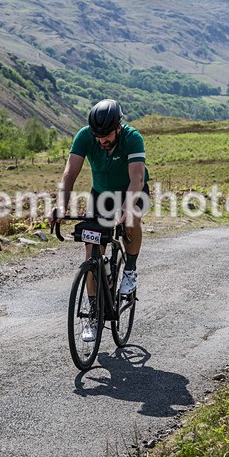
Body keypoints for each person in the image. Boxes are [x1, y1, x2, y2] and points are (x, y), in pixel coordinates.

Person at [51, 99, 150, 341]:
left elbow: (136, 179)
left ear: (118, 127)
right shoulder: (85, 136)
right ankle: (93, 315)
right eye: (97, 135)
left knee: (131, 218)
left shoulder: (133, 138)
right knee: (92, 252)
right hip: (101, 195)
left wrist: (127, 207)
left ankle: (130, 270)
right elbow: (69, 174)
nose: (101, 140)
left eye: (106, 135)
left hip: (131, 191)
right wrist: (61, 205)